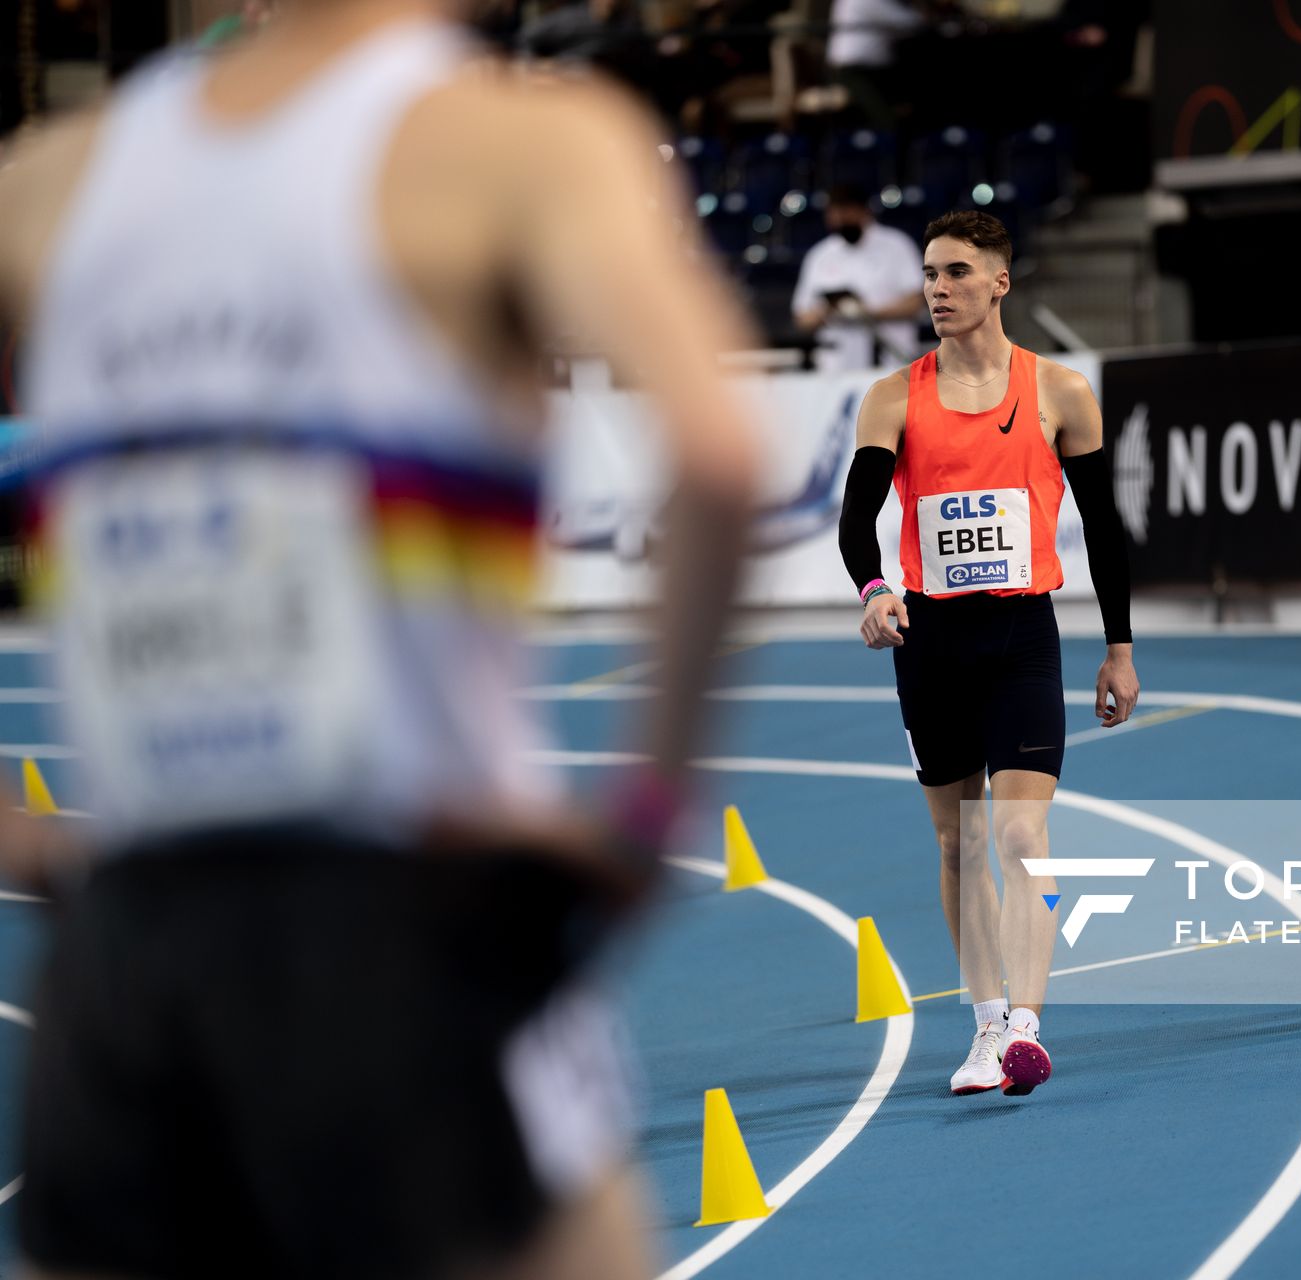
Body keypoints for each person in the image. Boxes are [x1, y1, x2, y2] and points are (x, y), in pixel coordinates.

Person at [0, 0, 759, 1275]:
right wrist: (642, 818)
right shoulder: (523, 142)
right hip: (413, 915)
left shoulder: (43, 181)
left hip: (125, 962)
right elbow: (721, 455)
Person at [837, 209, 1139, 1096]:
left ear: (1000, 282)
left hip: (1021, 637)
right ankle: (980, 1025)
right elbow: (857, 518)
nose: (938, 288)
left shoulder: (1059, 393)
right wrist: (873, 588)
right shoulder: (894, 396)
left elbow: (1106, 531)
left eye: (958, 272)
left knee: (1016, 831)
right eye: (930, 273)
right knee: (957, 842)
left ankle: (1026, 1027)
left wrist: (1119, 648)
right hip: (929, 640)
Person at [792, 182, 926, 372]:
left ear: (864, 211)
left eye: (846, 212)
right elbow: (802, 317)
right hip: (837, 367)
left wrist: (867, 313)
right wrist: (832, 311)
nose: (840, 220)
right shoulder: (820, 255)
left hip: (892, 362)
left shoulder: (896, 245)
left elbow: (916, 302)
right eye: (835, 214)